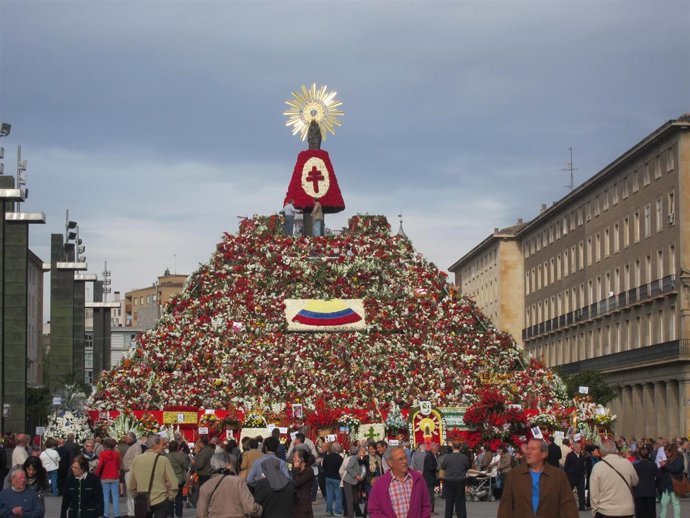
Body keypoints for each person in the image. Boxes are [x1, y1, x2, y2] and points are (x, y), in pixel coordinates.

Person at [497, 439, 578, 518]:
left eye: (532, 449)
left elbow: (568, 506)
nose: (528, 452)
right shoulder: (514, 475)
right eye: (527, 449)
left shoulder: (558, 476)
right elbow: (505, 506)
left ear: (544, 454)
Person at [367, 446, 431, 518]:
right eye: (400, 459)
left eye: (405, 458)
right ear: (390, 463)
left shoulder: (418, 479)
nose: (405, 461)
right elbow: (373, 510)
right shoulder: (380, 484)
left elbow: (426, 506)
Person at [195, 452, 261, 518]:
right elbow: (250, 508)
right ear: (228, 465)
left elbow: (201, 514)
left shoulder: (205, 486)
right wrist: (260, 509)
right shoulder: (238, 481)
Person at [128, 435, 178, 518]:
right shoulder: (163, 460)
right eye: (163, 444)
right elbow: (173, 483)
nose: (165, 447)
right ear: (155, 445)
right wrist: (170, 497)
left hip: (143, 500)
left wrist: (137, 496)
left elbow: (131, 484)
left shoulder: (137, 460)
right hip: (161, 499)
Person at [589, 439, 639, 518]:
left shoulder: (598, 467)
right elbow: (635, 481)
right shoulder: (627, 463)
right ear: (615, 450)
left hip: (605, 510)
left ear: (602, 451)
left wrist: (594, 511)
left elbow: (594, 493)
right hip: (626, 510)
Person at [440, 441, 471, 518]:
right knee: (460, 500)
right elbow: (468, 467)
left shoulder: (447, 457)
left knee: (449, 501)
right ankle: (462, 516)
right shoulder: (464, 457)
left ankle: (448, 516)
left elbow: (443, 467)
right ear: (460, 448)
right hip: (460, 480)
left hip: (449, 480)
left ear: (453, 447)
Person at [95, 437, 121, 518]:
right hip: (114, 476)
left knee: (105, 496)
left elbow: (100, 466)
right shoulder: (116, 454)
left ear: (105, 445)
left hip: (105, 477)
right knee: (115, 496)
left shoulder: (102, 454)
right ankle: (117, 514)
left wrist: (96, 475)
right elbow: (118, 465)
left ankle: (105, 513)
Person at [658, 443, 683, 518]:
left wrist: (666, 466)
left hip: (674, 484)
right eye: (665, 453)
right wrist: (662, 466)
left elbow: (677, 469)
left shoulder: (679, 458)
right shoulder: (669, 459)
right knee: (663, 502)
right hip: (667, 484)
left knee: (675, 503)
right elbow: (665, 470)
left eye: (667, 453)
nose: (666, 454)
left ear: (672, 451)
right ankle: (662, 516)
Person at [166, 439, 190, 518]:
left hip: (168, 479)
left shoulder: (165, 457)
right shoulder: (182, 456)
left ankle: (170, 514)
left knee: (169, 498)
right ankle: (179, 514)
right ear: (177, 447)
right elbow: (187, 467)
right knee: (179, 498)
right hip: (179, 479)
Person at [632, 445, 658, 518]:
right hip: (650, 491)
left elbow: (634, 478)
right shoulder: (653, 465)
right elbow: (657, 477)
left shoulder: (636, 466)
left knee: (640, 513)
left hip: (639, 491)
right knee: (651, 513)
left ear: (639, 455)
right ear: (648, 455)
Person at [342, 445, 365, 518]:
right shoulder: (354, 458)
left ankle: (356, 513)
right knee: (350, 499)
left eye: (364, 452)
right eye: (362, 451)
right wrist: (356, 475)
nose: (363, 453)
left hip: (355, 482)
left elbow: (363, 469)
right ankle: (350, 515)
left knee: (355, 499)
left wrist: (361, 477)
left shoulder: (361, 459)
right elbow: (348, 468)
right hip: (348, 481)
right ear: (358, 452)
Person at [563, 441, 586, 511]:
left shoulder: (582, 456)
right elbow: (566, 466)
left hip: (580, 477)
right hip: (571, 477)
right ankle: (566, 506)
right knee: (568, 492)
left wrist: (583, 474)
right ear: (574, 448)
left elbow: (584, 466)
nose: (580, 449)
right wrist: (567, 476)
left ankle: (582, 506)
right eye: (578, 447)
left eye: (580, 447)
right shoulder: (570, 455)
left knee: (581, 492)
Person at [292, 448, 315, 518]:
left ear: (301, 459)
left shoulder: (308, 470)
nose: (293, 459)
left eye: (295, 457)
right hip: (296, 502)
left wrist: (295, 469)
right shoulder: (298, 469)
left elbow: (296, 483)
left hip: (304, 503)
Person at [323, 441, 344, 516]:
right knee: (338, 495)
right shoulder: (340, 458)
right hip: (337, 478)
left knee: (329, 495)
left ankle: (329, 510)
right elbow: (342, 469)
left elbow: (324, 466)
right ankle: (338, 511)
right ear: (338, 449)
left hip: (328, 477)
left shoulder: (327, 457)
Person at [422, 443, 438, 513]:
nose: (437, 449)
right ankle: (430, 510)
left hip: (429, 477)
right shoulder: (429, 456)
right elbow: (430, 467)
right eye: (435, 447)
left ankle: (431, 510)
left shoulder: (431, 455)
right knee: (430, 495)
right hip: (429, 478)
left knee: (430, 494)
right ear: (432, 448)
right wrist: (436, 466)